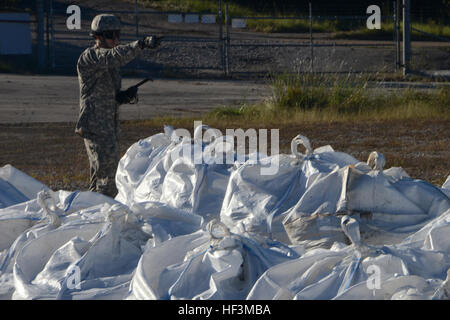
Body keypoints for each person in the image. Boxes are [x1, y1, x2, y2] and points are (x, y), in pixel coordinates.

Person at [75, 14, 161, 197]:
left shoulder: (108, 61)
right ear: (97, 36)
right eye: (110, 35)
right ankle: (102, 215)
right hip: (96, 126)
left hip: (108, 124)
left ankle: (92, 213)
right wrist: (141, 44)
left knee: (101, 177)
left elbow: (102, 92)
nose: (115, 39)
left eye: (117, 35)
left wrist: (121, 96)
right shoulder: (91, 57)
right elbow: (114, 57)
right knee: (107, 180)